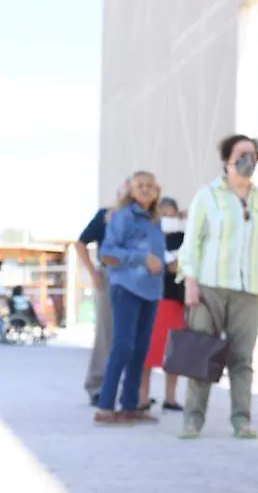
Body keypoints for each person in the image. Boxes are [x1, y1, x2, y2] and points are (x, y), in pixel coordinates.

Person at [178, 134, 258, 439]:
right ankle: (192, 420)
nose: (246, 160)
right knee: (201, 355)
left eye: (252, 155)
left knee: (242, 359)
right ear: (227, 159)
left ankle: (242, 420)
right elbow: (192, 242)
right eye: (241, 154)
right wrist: (190, 282)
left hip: (249, 289)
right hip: (209, 286)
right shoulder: (207, 196)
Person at [95, 171, 166, 427]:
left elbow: (155, 256)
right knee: (123, 346)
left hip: (151, 290)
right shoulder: (123, 216)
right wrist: (140, 259)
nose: (146, 190)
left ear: (157, 190)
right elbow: (107, 252)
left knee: (140, 349)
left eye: (150, 186)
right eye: (140, 186)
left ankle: (129, 407)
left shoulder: (155, 219)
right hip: (126, 288)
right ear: (131, 190)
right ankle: (104, 407)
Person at [77, 178, 129, 406]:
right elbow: (81, 243)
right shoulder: (107, 215)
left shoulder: (144, 219)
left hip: (137, 278)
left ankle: (130, 389)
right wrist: (93, 273)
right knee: (107, 333)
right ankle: (97, 385)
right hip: (110, 276)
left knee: (131, 335)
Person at [138, 197, 187, 411]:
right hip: (154, 299)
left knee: (174, 353)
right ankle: (142, 398)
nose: (167, 218)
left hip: (176, 300)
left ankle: (171, 398)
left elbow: (182, 266)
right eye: (163, 214)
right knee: (148, 352)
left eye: (171, 214)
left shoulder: (184, 238)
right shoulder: (149, 237)